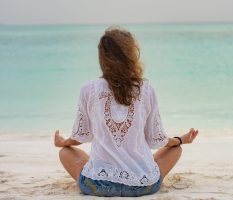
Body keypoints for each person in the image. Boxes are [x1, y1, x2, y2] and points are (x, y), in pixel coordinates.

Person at [54, 26, 198, 197]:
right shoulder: (146, 89)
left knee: (66, 152)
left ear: (102, 58)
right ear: (132, 55)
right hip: (142, 186)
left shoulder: (89, 89)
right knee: (176, 149)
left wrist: (62, 142)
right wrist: (180, 140)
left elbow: (81, 137)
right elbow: (156, 140)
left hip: (98, 185)